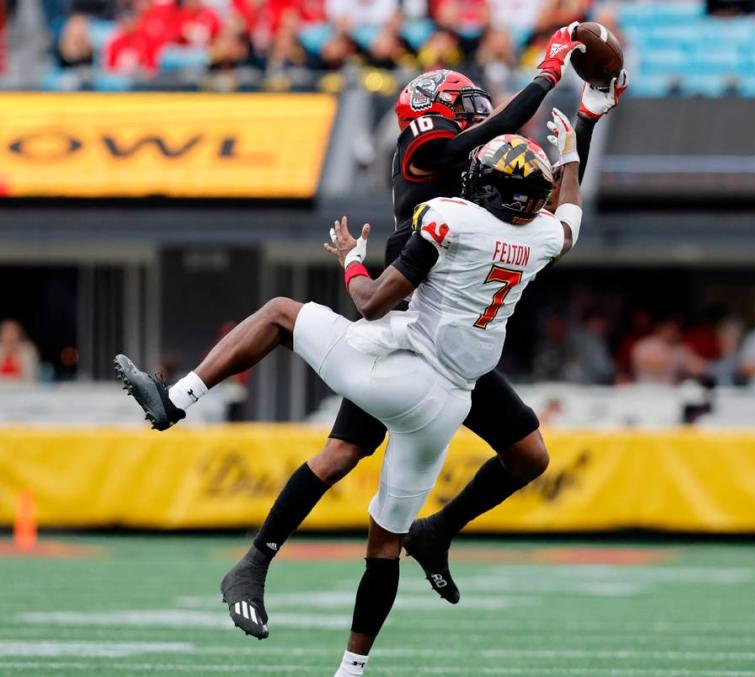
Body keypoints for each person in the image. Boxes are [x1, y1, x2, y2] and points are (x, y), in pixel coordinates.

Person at [116, 125, 584, 676]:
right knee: (384, 545)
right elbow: (571, 218)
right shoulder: (543, 238)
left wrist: (350, 258)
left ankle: (176, 400)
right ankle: (351, 670)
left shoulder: (451, 218)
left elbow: (368, 304)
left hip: (398, 372)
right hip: (448, 406)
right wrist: (571, 155)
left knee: (279, 314)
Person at [210, 25, 626, 630]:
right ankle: (257, 558)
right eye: (463, 111)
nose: (477, 118)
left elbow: (548, 181)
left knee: (528, 457)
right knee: (341, 453)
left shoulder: (493, 202)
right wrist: (550, 75)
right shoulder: (438, 173)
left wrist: (583, 121)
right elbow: (544, 189)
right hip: (410, 331)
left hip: (461, 359)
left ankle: (433, 535)